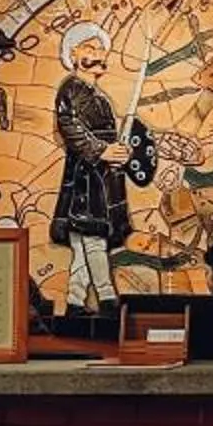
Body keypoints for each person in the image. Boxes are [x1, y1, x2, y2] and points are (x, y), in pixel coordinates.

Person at [50, 23, 132, 324]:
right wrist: (102, 151)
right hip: (85, 177)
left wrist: (120, 152)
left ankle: (73, 301)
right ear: (73, 54)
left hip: (102, 177)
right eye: (89, 48)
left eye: (100, 49)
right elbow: (71, 129)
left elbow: (107, 137)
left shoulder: (98, 97)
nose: (97, 55)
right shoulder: (70, 89)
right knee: (92, 238)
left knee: (83, 242)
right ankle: (107, 299)